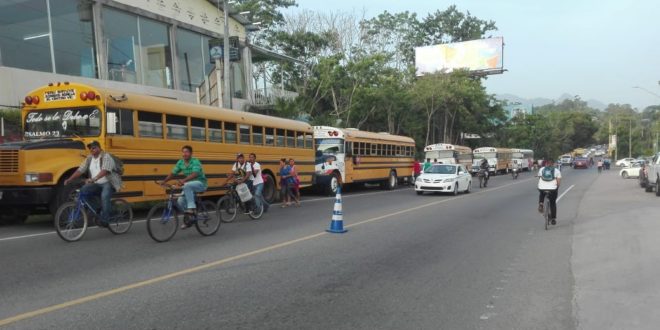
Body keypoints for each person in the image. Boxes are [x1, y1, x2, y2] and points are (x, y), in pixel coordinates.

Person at [64, 141, 123, 227]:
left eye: (94, 147)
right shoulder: (89, 158)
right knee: (83, 190)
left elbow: (105, 170)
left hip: (109, 183)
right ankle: (99, 209)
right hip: (97, 183)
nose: (92, 149)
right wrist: (69, 179)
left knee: (104, 196)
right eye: (90, 148)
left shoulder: (106, 156)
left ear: (99, 148)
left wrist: (93, 179)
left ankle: (105, 220)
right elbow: (80, 170)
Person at [159, 146, 207, 228]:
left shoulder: (195, 161)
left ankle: (191, 208)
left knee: (187, 185)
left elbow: (195, 173)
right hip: (188, 186)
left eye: (187, 152)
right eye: (183, 152)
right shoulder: (180, 162)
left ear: (191, 153)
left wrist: (184, 180)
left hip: (200, 184)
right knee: (180, 201)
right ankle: (189, 218)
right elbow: (173, 173)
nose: (184, 154)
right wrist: (164, 181)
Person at [537, 159, 562, 225]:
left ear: (546, 163)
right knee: (553, 203)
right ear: (553, 164)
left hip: (542, 187)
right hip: (552, 189)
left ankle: (541, 204)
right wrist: (556, 188)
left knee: (542, 192)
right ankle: (553, 219)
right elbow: (558, 182)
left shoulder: (541, 169)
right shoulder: (556, 171)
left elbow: (539, 178)